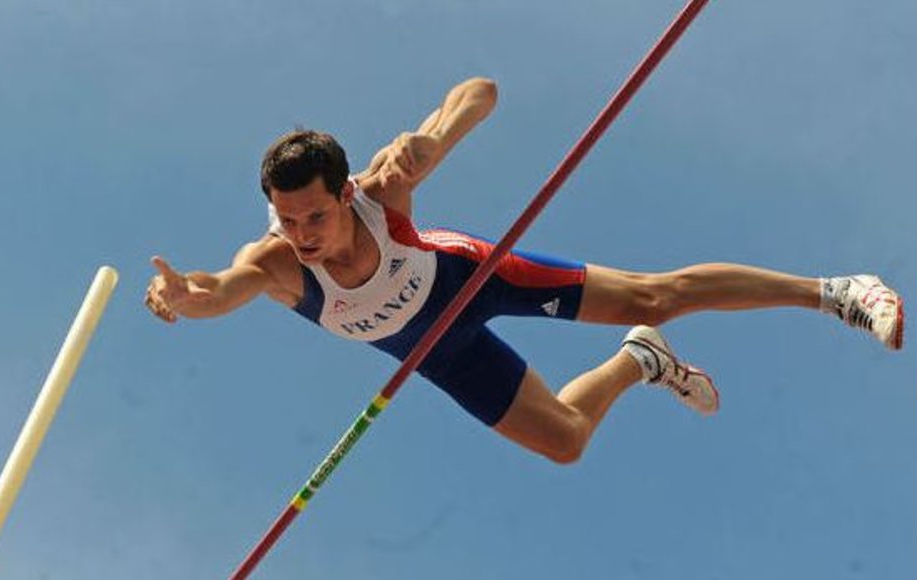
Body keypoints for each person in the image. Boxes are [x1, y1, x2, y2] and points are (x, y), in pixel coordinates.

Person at [145, 77, 904, 464]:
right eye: (287, 219)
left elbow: (480, 91)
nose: (302, 234)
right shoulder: (274, 262)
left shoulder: (381, 191)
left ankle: (835, 292)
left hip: (470, 280)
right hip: (435, 353)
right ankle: (642, 362)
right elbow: (221, 290)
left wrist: (435, 138)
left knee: (656, 294)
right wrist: (185, 298)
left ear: (344, 194)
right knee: (567, 441)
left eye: (313, 215)